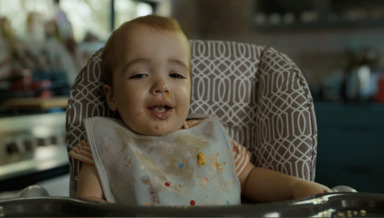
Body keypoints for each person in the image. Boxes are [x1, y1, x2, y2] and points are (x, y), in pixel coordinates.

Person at [69, 15, 331, 205]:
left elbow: (251, 178)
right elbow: (88, 205)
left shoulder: (212, 139)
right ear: (111, 96)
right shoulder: (103, 146)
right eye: (139, 75)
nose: (162, 86)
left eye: (176, 74)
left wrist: (296, 186)